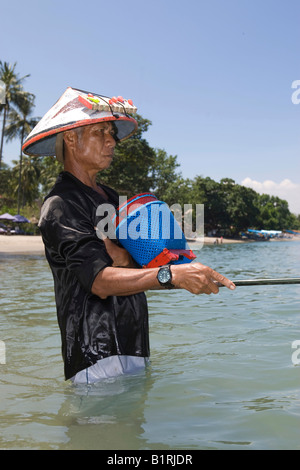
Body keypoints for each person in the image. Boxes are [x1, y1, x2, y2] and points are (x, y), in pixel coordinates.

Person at [22, 88, 235, 384]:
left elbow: (140, 267)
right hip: (94, 355)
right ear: (70, 138)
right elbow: (99, 281)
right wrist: (169, 275)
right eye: (100, 132)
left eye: (111, 133)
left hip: (134, 345)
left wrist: (186, 277)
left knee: (133, 430)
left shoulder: (109, 198)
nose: (112, 141)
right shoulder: (62, 205)